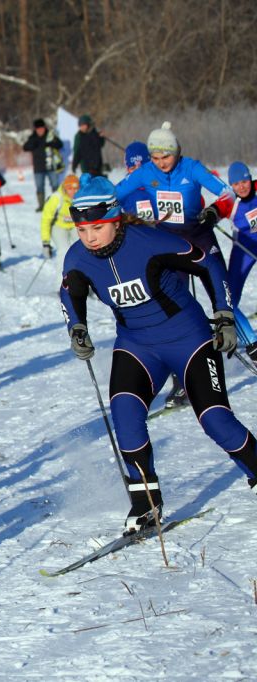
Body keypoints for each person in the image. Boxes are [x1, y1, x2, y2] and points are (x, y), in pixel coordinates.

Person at [59, 174, 257, 533]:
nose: (88, 237)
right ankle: (146, 504)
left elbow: (208, 262)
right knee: (125, 414)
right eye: (81, 229)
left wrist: (224, 313)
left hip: (189, 339)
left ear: (115, 217)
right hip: (137, 345)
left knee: (215, 420)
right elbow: (70, 293)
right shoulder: (78, 258)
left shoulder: (149, 241)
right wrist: (77, 327)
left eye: (97, 228)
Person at [114, 121, 234, 409]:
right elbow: (113, 196)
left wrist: (214, 212)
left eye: (165, 157)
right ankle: (182, 382)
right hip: (169, 245)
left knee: (222, 293)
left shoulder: (191, 168)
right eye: (155, 158)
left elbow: (227, 193)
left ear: (176, 153)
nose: (160, 163)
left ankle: (246, 340)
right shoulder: (145, 172)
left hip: (200, 237)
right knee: (173, 309)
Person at [224, 162, 257, 358]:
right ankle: (251, 342)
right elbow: (212, 209)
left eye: (244, 181)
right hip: (243, 251)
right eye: (236, 184)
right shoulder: (230, 202)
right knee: (228, 300)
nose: (242, 187)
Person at [23, 118, 65, 211]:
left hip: (50, 166)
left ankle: (57, 203)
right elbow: (25, 147)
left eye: (41, 128)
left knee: (55, 185)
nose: (40, 130)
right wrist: (33, 143)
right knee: (39, 186)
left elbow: (60, 144)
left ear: (44, 127)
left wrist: (52, 143)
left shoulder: (50, 135)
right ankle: (41, 205)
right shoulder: (33, 138)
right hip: (38, 167)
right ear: (35, 129)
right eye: (38, 129)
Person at [40, 174, 80, 266]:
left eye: (76, 188)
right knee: (64, 250)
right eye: (70, 189)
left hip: (75, 226)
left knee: (81, 248)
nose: (73, 192)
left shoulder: (81, 197)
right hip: (59, 226)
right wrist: (46, 242)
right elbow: (45, 220)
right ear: (65, 188)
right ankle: (62, 276)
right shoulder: (56, 198)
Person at [118, 142, 154, 220]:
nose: (138, 174)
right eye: (133, 168)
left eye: (142, 167)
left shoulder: (161, 183)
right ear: (128, 169)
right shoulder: (123, 190)